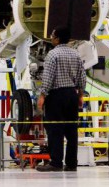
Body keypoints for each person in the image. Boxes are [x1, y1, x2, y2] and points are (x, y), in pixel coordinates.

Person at [36, 26, 86, 172]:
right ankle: (71, 163)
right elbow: (82, 77)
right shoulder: (75, 54)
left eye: (52, 36)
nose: (51, 38)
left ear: (57, 38)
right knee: (71, 131)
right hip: (72, 95)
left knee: (55, 129)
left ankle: (56, 162)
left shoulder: (53, 55)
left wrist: (42, 95)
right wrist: (80, 95)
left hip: (56, 96)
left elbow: (48, 77)